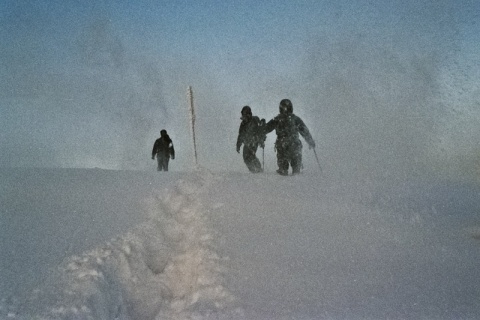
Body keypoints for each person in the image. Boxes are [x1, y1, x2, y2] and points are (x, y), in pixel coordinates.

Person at [264, 99, 315, 175]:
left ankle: (283, 171)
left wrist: (260, 130)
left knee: (283, 165)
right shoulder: (295, 119)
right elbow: (304, 131)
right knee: (296, 165)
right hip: (294, 144)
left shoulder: (277, 119)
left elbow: (266, 128)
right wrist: (310, 141)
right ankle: (295, 174)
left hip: (282, 144)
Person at [236, 106, 265, 173]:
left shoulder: (255, 120)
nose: (244, 117)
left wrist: (261, 141)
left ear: (249, 114)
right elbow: (240, 135)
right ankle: (254, 170)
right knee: (246, 157)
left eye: (245, 114)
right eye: (243, 114)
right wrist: (238, 145)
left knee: (251, 155)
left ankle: (257, 169)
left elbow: (260, 130)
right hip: (247, 142)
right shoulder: (243, 124)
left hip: (254, 141)